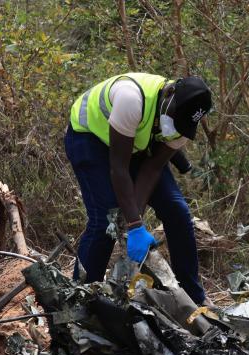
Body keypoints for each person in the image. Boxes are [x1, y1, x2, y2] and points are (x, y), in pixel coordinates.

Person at [64, 72, 211, 305]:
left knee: (177, 212)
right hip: (90, 138)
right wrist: (132, 225)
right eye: (175, 117)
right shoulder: (131, 98)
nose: (175, 126)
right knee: (105, 221)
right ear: (169, 93)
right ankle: (81, 302)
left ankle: (194, 299)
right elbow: (119, 168)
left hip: (136, 148)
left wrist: (135, 220)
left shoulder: (182, 126)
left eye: (182, 124)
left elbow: (152, 169)